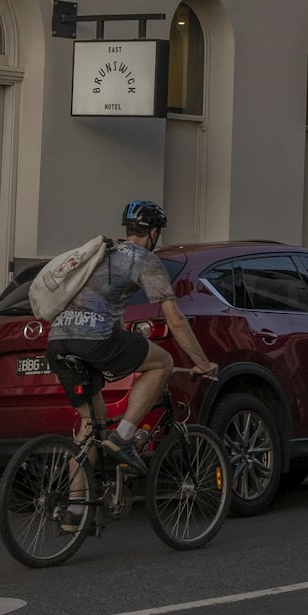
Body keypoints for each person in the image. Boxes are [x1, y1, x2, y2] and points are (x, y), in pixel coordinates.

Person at [46, 199, 218, 477]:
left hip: (58, 340)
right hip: (93, 339)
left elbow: (107, 308)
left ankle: (74, 512)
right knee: (162, 362)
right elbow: (174, 317)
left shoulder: (103, 253)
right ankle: (123, 438)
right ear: (153, 232)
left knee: (90, 425)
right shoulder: (145, 259)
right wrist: (202, 362)